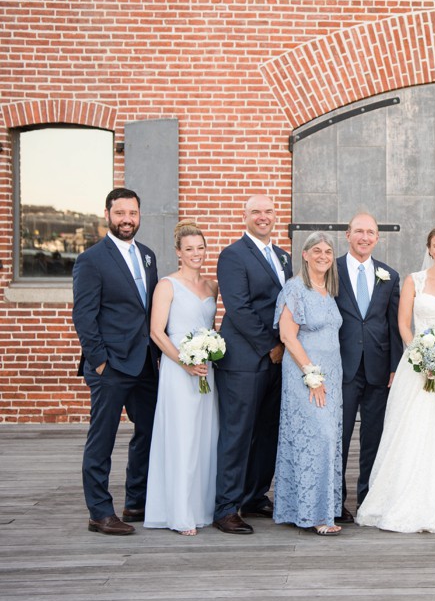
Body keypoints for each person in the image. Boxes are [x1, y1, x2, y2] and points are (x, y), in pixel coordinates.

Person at [356, 226, 435, 534]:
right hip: (417, 366)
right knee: (412, 431)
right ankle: (405, 500)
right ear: (428, 248)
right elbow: (403, 323)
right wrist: (421, 357)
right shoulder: (415, 280)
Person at [72, 187, 159, 535]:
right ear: (107, 214)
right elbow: (84, 315)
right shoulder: (91, 259)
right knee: (102, 438)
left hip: (144, 365)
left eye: (133, 213)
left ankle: (136, 501)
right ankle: (100, 511)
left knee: (150, 432)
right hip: (110, 366)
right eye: (120, 213)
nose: (127, 220)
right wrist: (100, 362)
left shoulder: (149, 256)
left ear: (139, 215)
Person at [213, 195, 292, 535]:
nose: (263, 217)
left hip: (278, 360)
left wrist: (285, 347)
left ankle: (255, 495)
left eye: (269, 211)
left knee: (267, 432)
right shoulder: (232, 256)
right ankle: (226, 507)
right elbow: (239, 308)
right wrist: (270, 346)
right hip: (245, 360)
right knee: (238, 433)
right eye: (256, 211)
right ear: (244, 216)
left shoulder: (284, 257)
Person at [144, 221, 219, 536]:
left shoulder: (212, 286)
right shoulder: (167, 285)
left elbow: (211, 327)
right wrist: (184, 362)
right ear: (178, 251)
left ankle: (201, 507)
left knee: (205, 438)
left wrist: (208, 354)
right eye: (189, 249)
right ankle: (178, 513)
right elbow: (156, 331)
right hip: (179, 370)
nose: (196, 254)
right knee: (181, 438)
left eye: (200, 248)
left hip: (206, 371)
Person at [273, 232, 345, 536]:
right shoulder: (295, 288)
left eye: (328, 251)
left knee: (327, 441)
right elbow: (288, 335)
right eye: (317, 250)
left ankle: (312, 510)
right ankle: (315, 514)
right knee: (317, 437)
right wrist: (311, 375)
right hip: (305, 374)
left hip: (333, 375)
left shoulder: (328, 290)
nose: (323, 256)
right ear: (304, 254)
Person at [335, 212, 402, 523]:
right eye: (358, 231)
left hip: (378, 370)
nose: (364, 237)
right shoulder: (330, 269)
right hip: (342, 367)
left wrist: (394, 368)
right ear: (348, 235)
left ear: (378, 238)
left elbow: (393, 324)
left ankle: (367, 500)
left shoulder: (389, 275)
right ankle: (335, 501)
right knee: (340, 437)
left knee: (373, 439)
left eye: (370, 232)